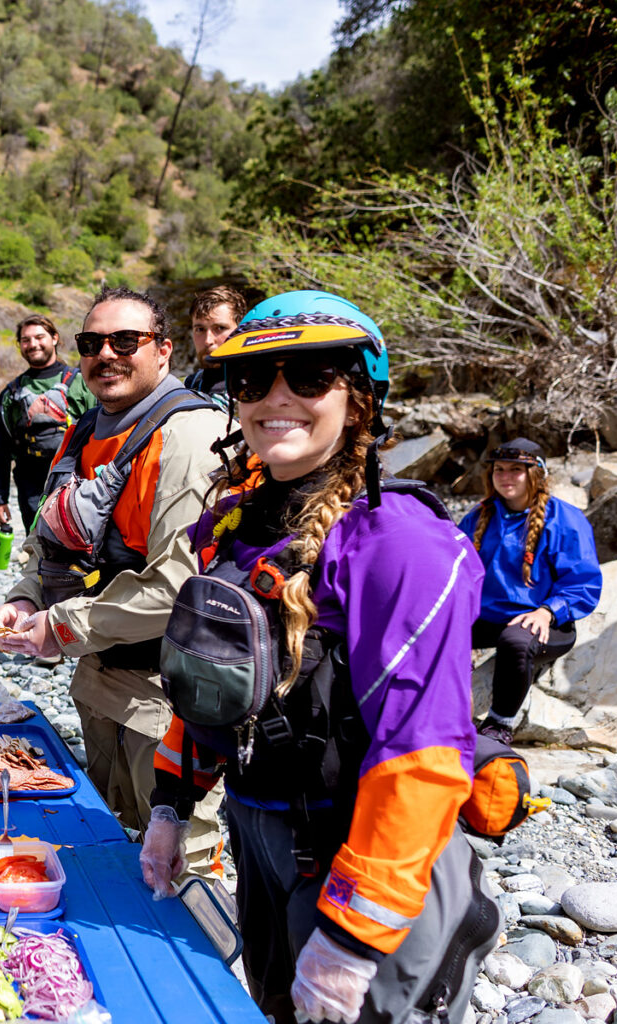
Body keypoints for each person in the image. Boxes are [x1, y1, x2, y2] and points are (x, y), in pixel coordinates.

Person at [141, 290, 500, 1024]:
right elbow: (212, 685)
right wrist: (172, 806)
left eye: (309, 376)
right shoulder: (233, 523)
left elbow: (422, 754)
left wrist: (350, 936)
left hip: (359, 852)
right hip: (258, 831)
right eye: (254, 379)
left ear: (360, 398)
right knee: (273, 1005)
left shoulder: (399, 546)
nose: (277, 398)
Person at [0, 287, 229, 862]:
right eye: (92, 343)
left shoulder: (190, 436)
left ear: (165, 350)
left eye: (127, 341)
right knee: (116, 838)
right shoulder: (85, 428)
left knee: (182, 862)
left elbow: (180, 586)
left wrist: (61, 627)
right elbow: (48, 538)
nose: (107, 354)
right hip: (98, 683)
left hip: (166, 700)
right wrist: (25, 597)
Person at [459, 439, 602, 744]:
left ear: (536, 474)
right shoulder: (479, 516)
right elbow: (454, 567)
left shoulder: (564, 519)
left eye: (516, 470)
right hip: (488, 617)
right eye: (499, 469)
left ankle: (500, 723)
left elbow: (582, 583)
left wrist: (548, 611)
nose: (505, 476)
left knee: (516, 641)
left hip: (546, 620)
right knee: (432, 629)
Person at [0, 314, 96, 532]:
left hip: (80, 480)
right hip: (31, 486)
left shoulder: (83, 383)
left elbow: (108, 432)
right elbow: (1, 448)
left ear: (54, 338)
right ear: (20, 345)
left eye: (39, 337)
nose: (33, 344)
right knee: (39, 544)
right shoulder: (10, 394)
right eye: (26, 340)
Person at [183, 284, 244, 399]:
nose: (208, 341)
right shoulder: (190, 385)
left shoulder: (257, 384)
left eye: (220, 328)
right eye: (200, 329)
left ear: (240, 330)